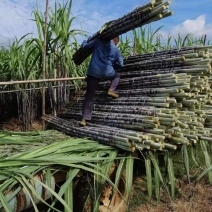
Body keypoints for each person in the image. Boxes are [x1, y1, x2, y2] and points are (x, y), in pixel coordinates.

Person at [80, 36, 124, 126]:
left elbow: (86, 47)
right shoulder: (116, 50)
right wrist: (112, 66)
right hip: (107, 72)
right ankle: (111, 89)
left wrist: (85, 41)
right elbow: (121, 64)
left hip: (93, 72)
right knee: (116, 76)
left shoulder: (99, 41)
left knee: (90, 95)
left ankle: (85, 118)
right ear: (116, 42)